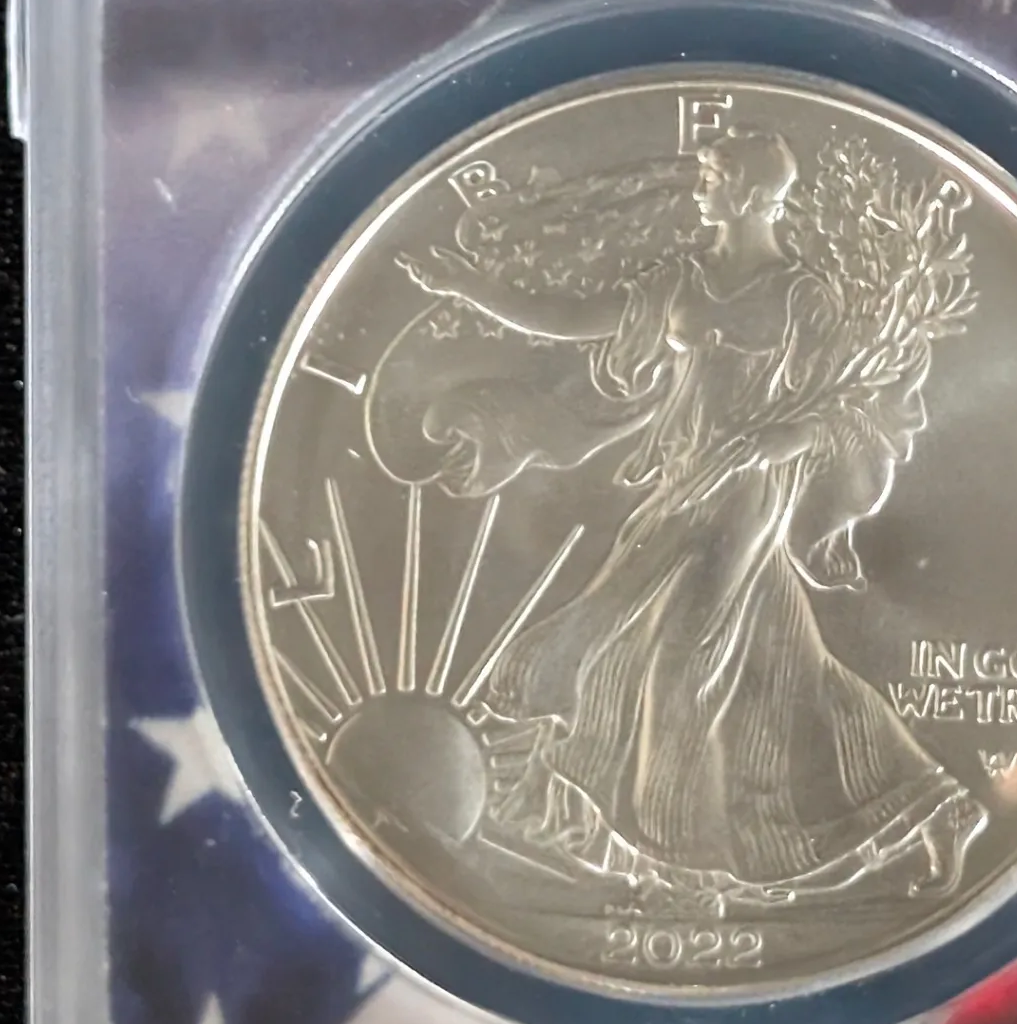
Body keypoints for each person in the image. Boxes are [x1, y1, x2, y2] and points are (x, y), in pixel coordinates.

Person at [396, 127, 986, 906]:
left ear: (749, 192)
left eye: (711, 175)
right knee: (781, 667)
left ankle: (676, 862)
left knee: (674, 663)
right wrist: (470, 288)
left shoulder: (802, 296)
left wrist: (767, 443)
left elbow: (841, 409)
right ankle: (936, 804)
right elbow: (569, 316)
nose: (699, 187)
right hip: (681, 485)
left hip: (745, 497)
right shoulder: (679, 281)